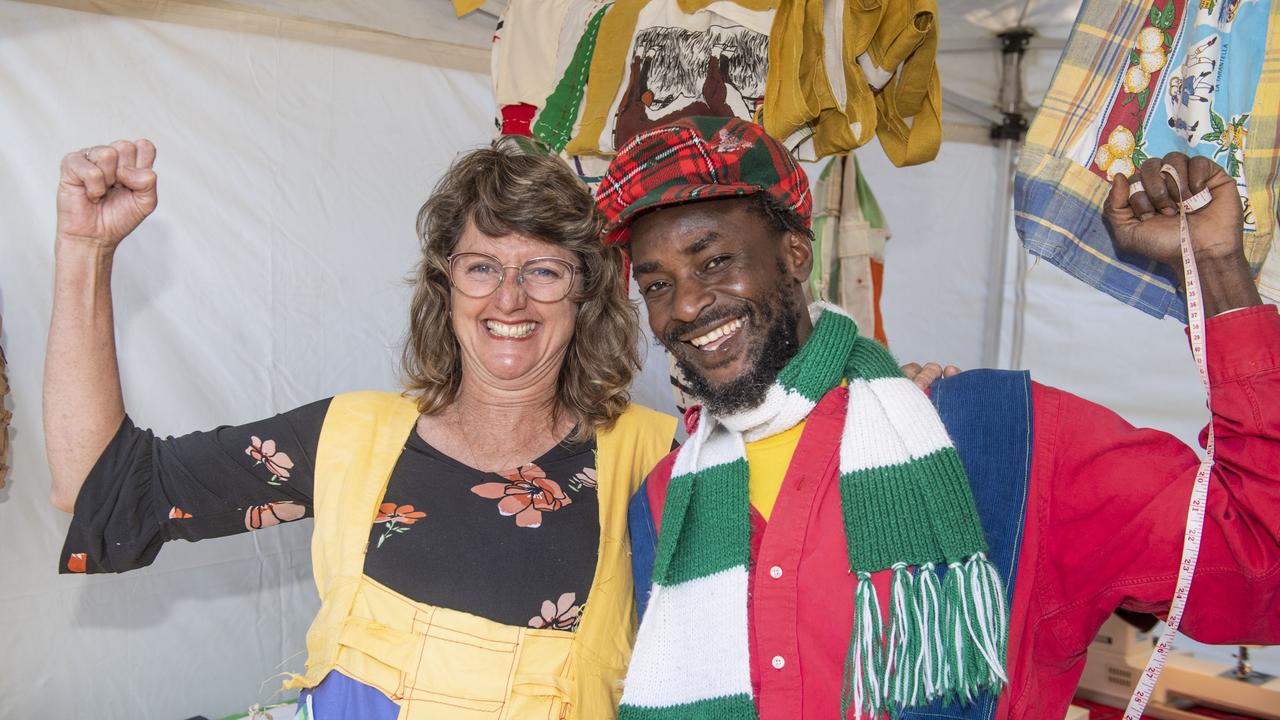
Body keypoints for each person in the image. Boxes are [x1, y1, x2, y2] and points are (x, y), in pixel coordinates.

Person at [598, 116, 1280, 720]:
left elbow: (1261, 570)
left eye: (714, 260)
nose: (685, 306)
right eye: (657, 284)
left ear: (795, 257)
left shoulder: (1002, 438)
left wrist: (1220, 270)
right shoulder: (664, 501)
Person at [45, 136, 680, 719]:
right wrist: (85, 250)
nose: (508, 298)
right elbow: (101, 490)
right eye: (481, 266)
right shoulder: (348, 438)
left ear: (584, 293)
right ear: (445, 285)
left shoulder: (657, 460)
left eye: (544, 270)